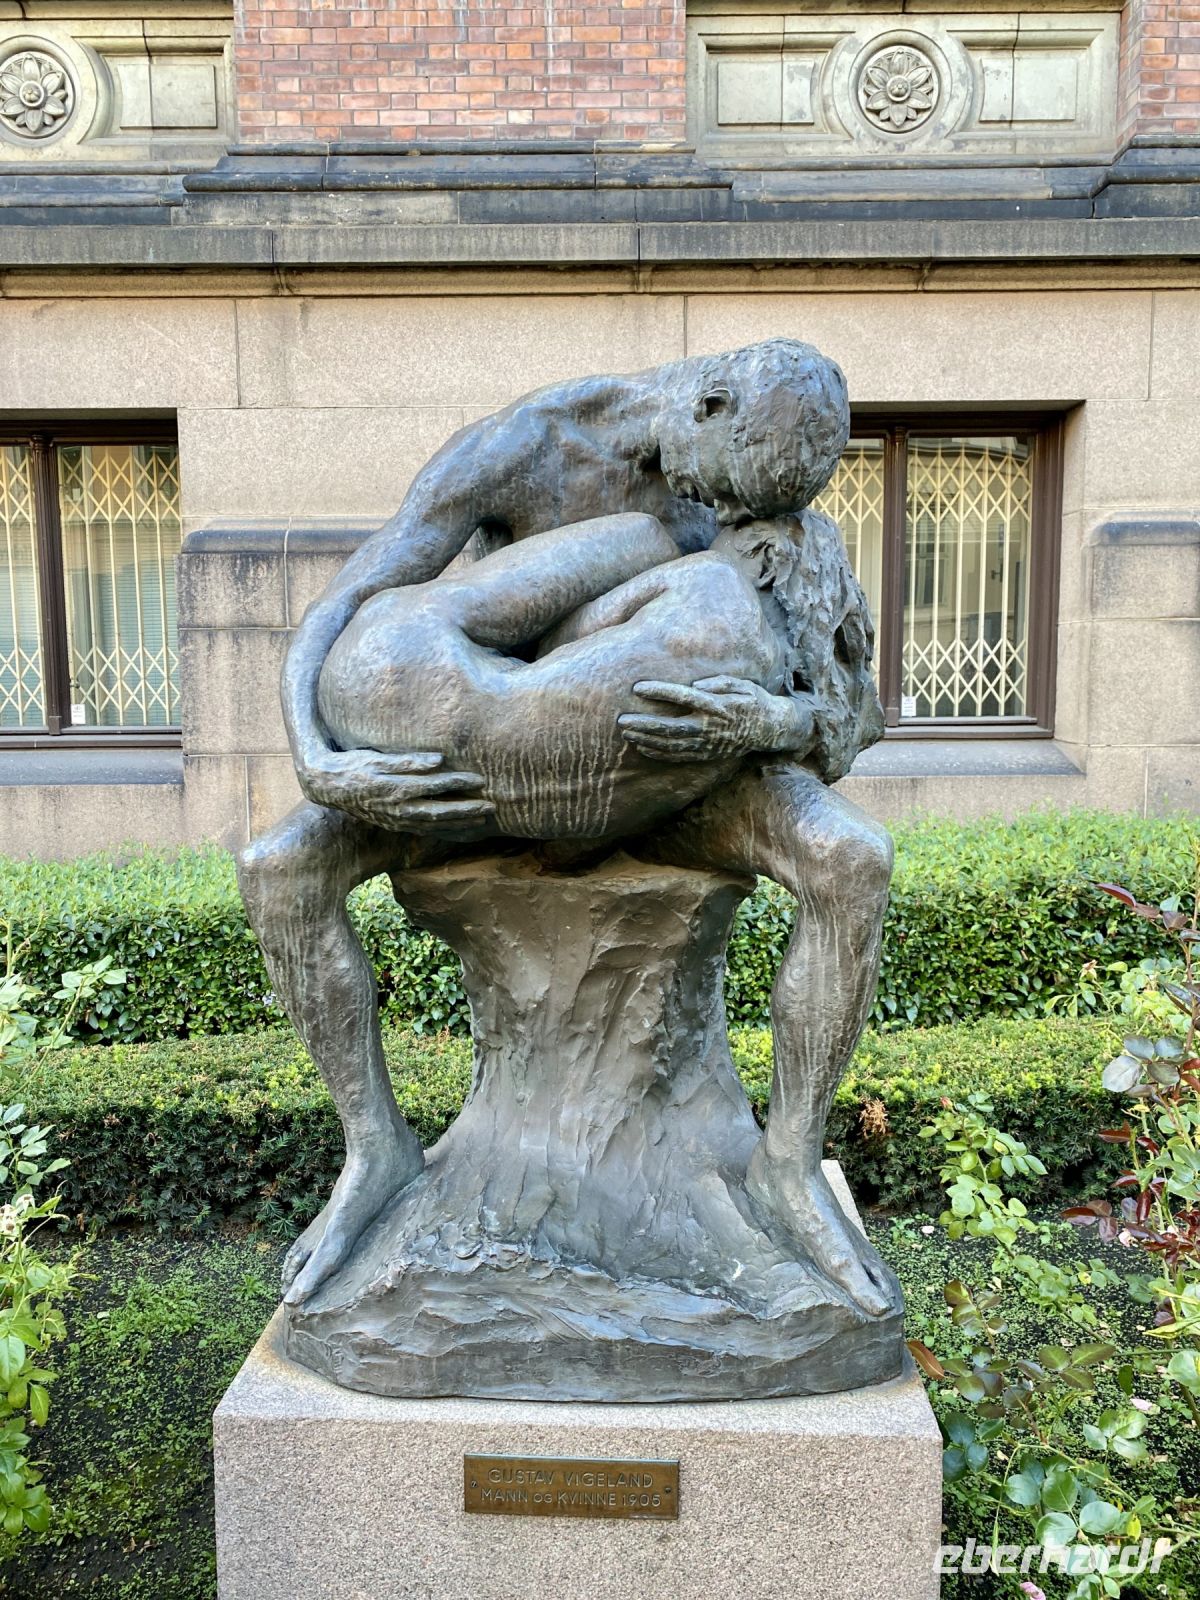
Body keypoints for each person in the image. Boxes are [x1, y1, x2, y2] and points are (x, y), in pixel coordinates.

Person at [237, 338, 897, 1316]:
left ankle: (788, 1166)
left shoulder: (765, 495)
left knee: (854, 859)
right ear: (707, 406)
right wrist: (318, 760)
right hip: (483, 779)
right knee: (279, 867)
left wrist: (776, 720)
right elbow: (342, 607)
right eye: (735, 500)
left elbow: (854, 708)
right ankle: (375, 1150)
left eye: (757, 514)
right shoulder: (522, 447)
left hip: (683, 772)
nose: (736, 524)